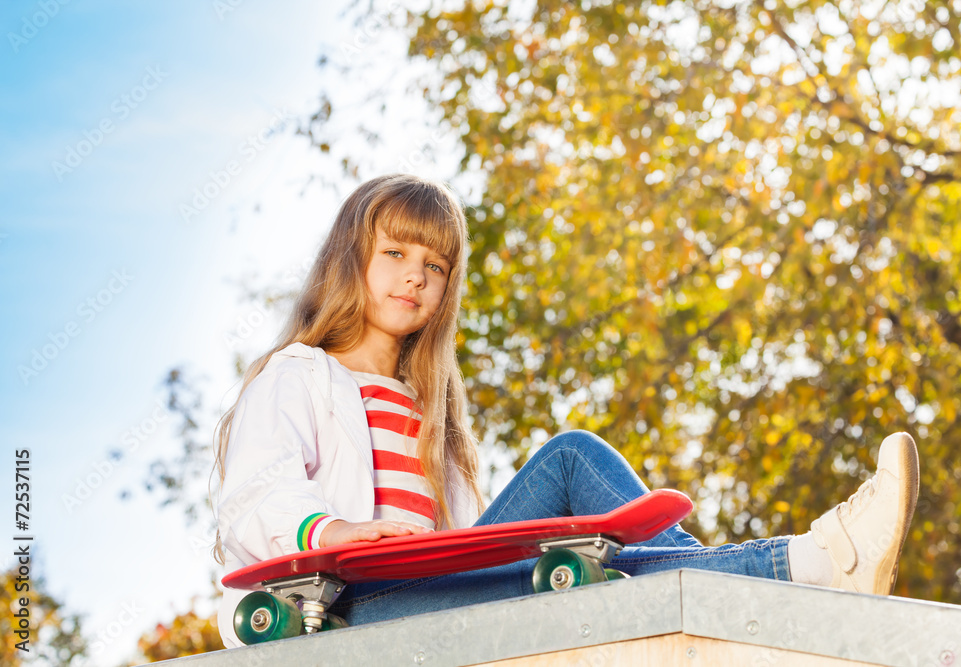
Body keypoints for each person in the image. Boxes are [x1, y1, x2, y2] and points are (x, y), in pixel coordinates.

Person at [214, 174, 919, 648]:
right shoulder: (300, 376)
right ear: (351, 259)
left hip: (435, 597)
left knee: (597, 555)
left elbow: (460, 535)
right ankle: (809, 564)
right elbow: (255, 492)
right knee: (568, 459)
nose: (415, 276)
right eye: (395, 251)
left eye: (435, 266)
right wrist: (337, 527)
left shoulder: (434, 412)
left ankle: (759, 587)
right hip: (355, 611)